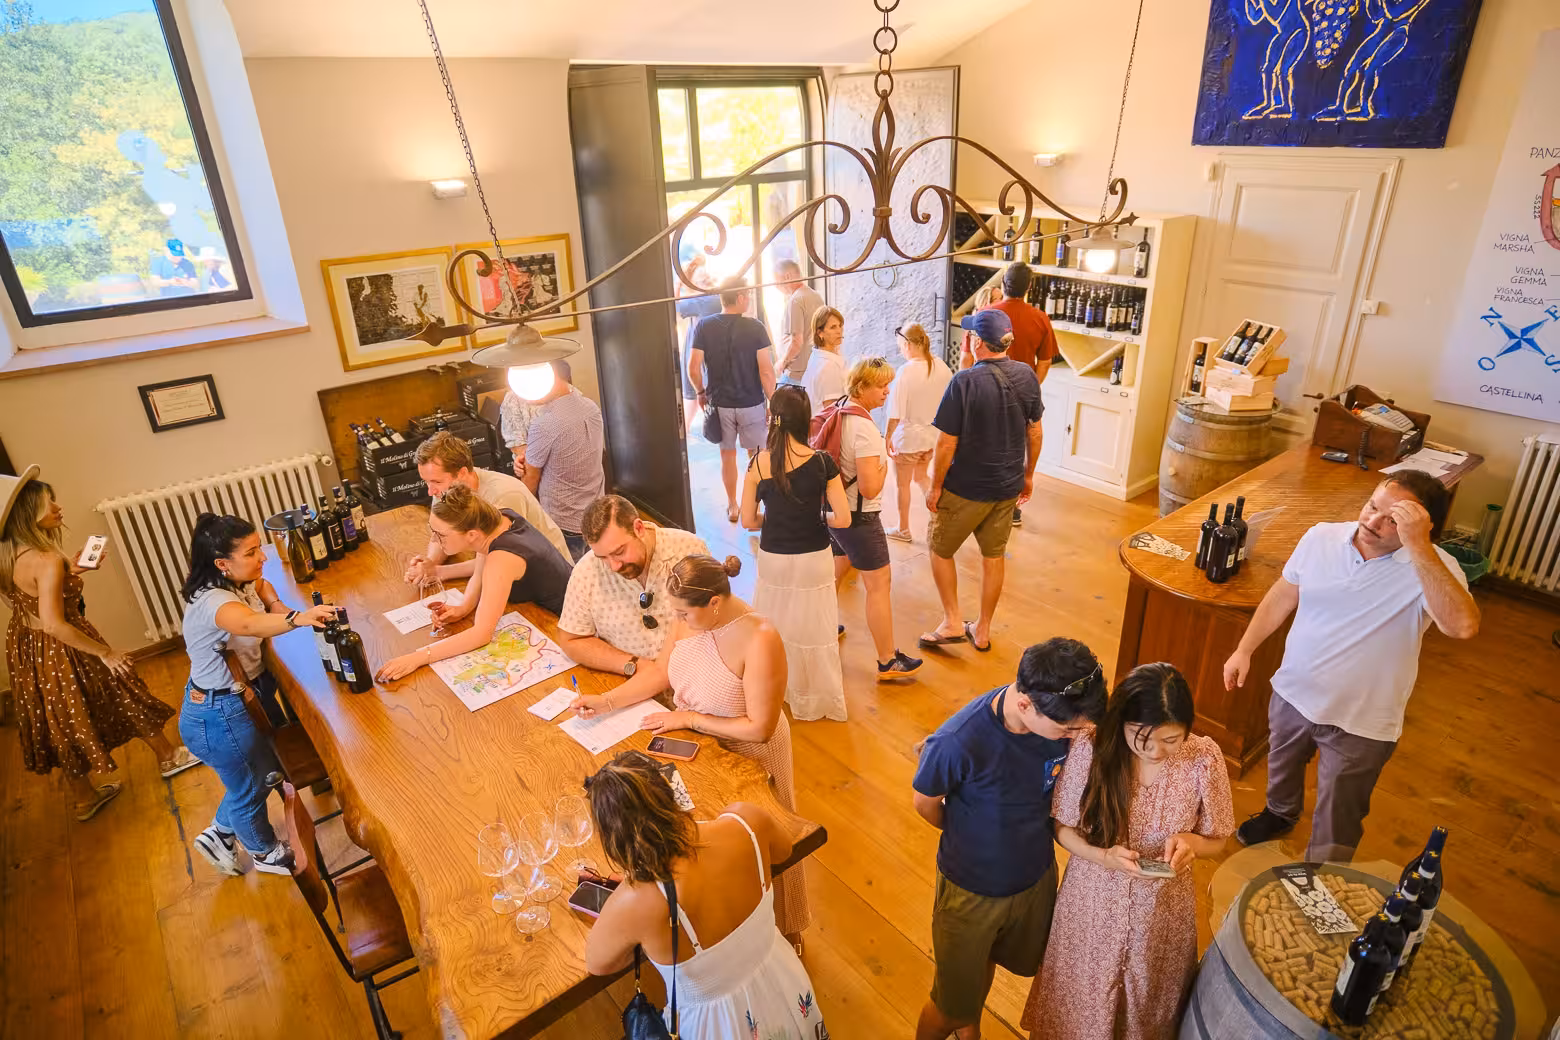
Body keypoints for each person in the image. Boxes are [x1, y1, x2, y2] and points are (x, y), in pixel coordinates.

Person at [1224, 471, 1479, 862]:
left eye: (1393, 520)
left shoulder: (1433, 566)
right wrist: (1244, 649)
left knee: (1340, 808)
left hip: (1363, 721)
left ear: (1421, 527)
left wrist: (1420, 548)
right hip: (1295, 690)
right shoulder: (1321, 537)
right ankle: (1279, 813)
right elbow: (1283, 594)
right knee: (1282, 763)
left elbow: (1462, 626)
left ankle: (1324, 873)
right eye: (1373, 506)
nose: (1372, 522)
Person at [569, 555, 811, 948]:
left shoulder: (760, 636)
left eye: (684, 612)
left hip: (750, 754)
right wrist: (608, 702)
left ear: (714, 603)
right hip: (697, 747)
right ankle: (725, 928)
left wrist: (691, 719)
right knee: (707, 844)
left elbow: (761, 728)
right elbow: (662, 672)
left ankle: (787, 925)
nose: (677, 619)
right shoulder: (689, 618)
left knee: (762, 843)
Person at [1020, 663, 1234, 1040]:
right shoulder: (1093, 746)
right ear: (1122, 722)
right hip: (1092, 903)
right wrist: (1104, 856)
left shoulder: (1203, 758)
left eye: (1171, 740)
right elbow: (1062, 828)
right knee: (1082, 999)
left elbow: (1218, 839)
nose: (1155, 751)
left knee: (1147, 1001)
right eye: (1141, 737)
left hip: (1163, 913)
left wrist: (1192, 843)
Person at [911, 637, 1108, 1040]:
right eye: (1068, 728)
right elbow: (925, 803)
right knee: (948, 1005)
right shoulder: (957, 741)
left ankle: (972, 1029)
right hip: (971, 890)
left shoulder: (1059, 722)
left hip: (1034, 876)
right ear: (1024, 705)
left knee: (991, 961)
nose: (1076, 736)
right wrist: (967, 831)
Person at [582, 751, 828, 1039]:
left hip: (718, 1024)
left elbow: (598, 963)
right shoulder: (745, 821)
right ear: (671, 792)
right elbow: (783, 850)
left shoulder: (636, 900)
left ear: (614, 839)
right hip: (782, 979)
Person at [1, 468, 199, 822]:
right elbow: (55, 623)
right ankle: (170, 756)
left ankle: (83, 798)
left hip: (29, 646)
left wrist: (69, 571)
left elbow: (32, 599)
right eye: (51, 503)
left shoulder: (12, 558)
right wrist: (104, 652)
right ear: (30, 512)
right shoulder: (46, 561)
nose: (59, 508)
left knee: (57, 718)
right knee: (122, 686)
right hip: (63, 644)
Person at [178, 513, 334, 876]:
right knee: (254, 781)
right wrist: (298, 617)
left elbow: (262, 587)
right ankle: (263, 852)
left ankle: (220, 831)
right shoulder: (214, 601)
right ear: (222, 563)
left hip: (241, 695)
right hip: (219, 711)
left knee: (259, 770)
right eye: (251, 552)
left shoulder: (237, 581)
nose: (262, 557)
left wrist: (275, 600)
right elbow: (247, 623)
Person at [918, 309, 1042, 655]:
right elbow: (1035, 430)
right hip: (1006, 485)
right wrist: (1028, 475)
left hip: (966, 487)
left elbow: (946, 443)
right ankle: (983, 629)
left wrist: (936, 486)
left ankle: (953, 621)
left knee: (940, 549)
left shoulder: (964, 382)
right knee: (994, 555)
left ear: (976, 342)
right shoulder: (1027, 376)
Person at [377, 485, 574, 680]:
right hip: (555, 602)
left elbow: (481, 634)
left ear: (471, 535)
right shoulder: (495, 520)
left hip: (567, 621)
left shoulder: (501, 559)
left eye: (441, 535)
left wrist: (418, 657)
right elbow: (479, 573)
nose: (435, 540)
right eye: (432, 531)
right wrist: (464, 607)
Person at [741, 384, 851, 721]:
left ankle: (776, 691)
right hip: (813, 557)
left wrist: (770, 517)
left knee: (774, 627)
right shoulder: (822, 462)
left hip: (773, 557)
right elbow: (843, 519)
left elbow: (748, 520)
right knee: (813, 630)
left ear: (773, 419)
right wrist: (816, 516)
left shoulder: (758, 463)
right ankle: (814, 697)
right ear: (806, 421)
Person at [832, 357, 923, 681]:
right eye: (881, 385)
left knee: (837, 571)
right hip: (859, 518)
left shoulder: (840, 410)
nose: (887, 391)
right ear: (861, 387)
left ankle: (822, 629)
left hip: (834, 511)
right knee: (879, 585)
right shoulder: (865, 429)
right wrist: (884, 465)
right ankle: (887, 660)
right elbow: (870, 488)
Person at [554, 494, 711, 678]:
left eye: (619, 552)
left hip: (696, 680)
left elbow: (721, 618)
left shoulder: (689, 549)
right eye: (602, 557)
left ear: (638, 528)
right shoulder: (587, 570)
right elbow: (571, 639)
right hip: (631, 684)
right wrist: (633, 664)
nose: (614, 566)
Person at [405, 431, 570, 582]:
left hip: (548, 575)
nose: (430, 491)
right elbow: (441, 530)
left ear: (462, 473)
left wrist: (439, 572)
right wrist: (429, 563)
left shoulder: (504, 495)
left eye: (436, 481)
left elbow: (498, 557)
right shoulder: (444, 490)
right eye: (426, 481)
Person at [689, 278, 778, 523]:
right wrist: (773, 401)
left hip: (720, 405)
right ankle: (755, 505)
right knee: (757, 456)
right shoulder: (755, 327)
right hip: (751, 403)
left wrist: (700, 392)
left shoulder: (704, 326)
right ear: (739, 297)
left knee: (726, 456)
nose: (749, 299)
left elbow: (693, 368)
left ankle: (733, 506)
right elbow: (766, 371)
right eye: (747, 294)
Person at [980, 262, 1057, 528]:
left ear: (1003, 284)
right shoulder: (1040, 317)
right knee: (1022, 443)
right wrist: (1031, 384)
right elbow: (1045, 360)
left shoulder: (987, 312)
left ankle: (984, 504)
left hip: (987, 389)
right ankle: (1012, 506)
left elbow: (971, 354)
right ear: (1029, 288)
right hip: (1022, 392)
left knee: (986, 444)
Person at [517, 360, 606, 559]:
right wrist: (527, 460)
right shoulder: (590, 407)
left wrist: (522, 518)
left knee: (569, 581)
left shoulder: (545, 424)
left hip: (563, 521)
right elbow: (572, 454)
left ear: (551, 380)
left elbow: (531, 481)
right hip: (595, 513)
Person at [885, 323, 952, 542]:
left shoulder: (906, 371)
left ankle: (903, 529)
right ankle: (941, 512)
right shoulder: (942, 367)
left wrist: (887, 437)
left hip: (908, 438)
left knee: (902, 484)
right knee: (922, 476)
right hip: (931, 437)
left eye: (901, 346)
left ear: (908, 345)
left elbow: (895, 413)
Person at [676, 255, 721, 431]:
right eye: (704, 280)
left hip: (702, 352)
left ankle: (688, 431)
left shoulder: (706, 300)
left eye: (707, 279)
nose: (708, 282)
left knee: (699, 393)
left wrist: (679, 286)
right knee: (693, 395)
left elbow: (676, 306)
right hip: (697, 349)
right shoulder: (706, 299)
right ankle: (685, 431)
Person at [774, 259, 825, 384]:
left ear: (787, 277)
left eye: (776, 282)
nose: (776, 287)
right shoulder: (816, 296)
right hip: (814, 368)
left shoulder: (795, 300)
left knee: (779, 402)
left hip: (796, 374)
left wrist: (782, 363)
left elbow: (796, 342)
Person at [799, 305, 847, 412]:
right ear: (819, 333)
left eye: (840, 326)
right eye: (833, 327)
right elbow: (832, 411)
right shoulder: (828, 365)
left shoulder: (820, 354)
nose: (839, 331)